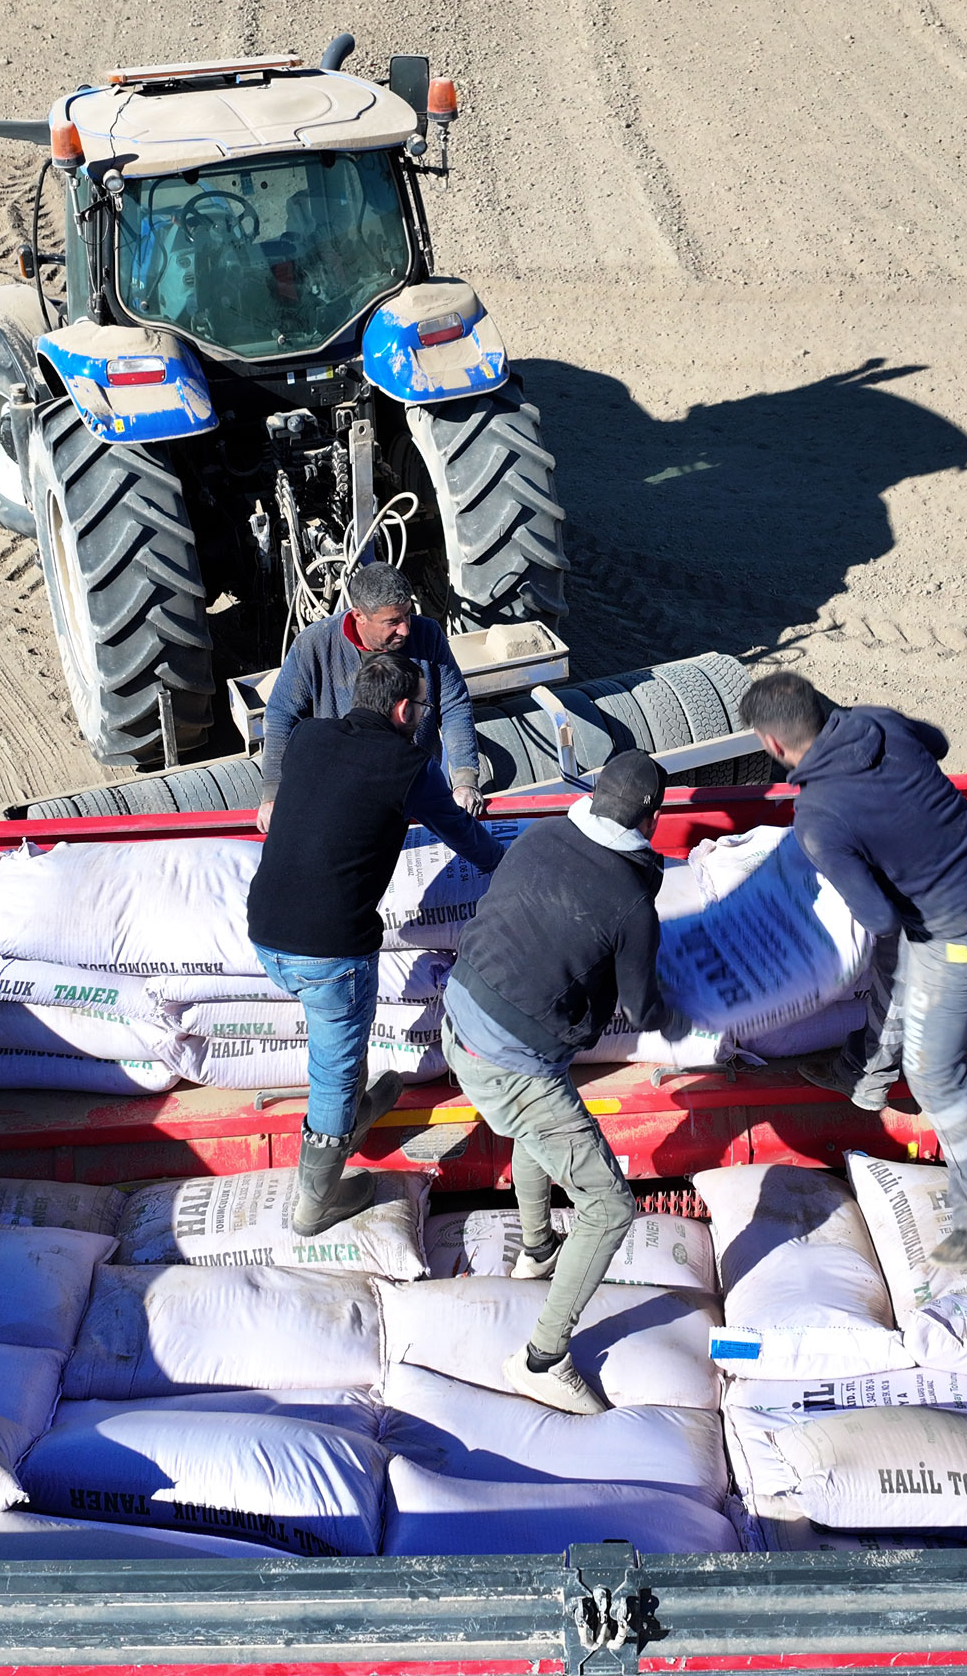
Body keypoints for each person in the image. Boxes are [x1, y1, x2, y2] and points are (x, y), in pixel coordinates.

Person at [740, 671, 967, 1270]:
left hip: (964, 934)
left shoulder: (820, 818)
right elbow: (937, 741)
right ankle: (864, 1073)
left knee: (935, 1074)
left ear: (772, 745)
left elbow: (876, 916)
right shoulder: (877, 724)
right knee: (895, 966)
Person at [440, 751, 672, 1414]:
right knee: (609, 1207)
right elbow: (641, 1008)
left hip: (459, 1013)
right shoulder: (632, 900)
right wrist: (680, 1007)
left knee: (542, 1115)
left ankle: (537, 1249)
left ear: (594, 793)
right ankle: (542, 1359)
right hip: (508, 1059)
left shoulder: (543, 833)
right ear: (652, 818)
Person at [248, 652, 428, 1236]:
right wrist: (501, 861)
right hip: (328, 955)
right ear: (404, 709)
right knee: (333, 1067)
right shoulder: (407, 763)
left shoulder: (308, 736)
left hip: (266, 935)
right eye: (421, 707)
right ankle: (315, 1203)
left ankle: (356, 1110)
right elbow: (454, 826)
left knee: (344, 1045)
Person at [257, 563, 501, 876]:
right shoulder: (314, 646)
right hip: (348, 788)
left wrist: (464, 780)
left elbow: (453, 703)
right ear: (359, 616)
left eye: (407, 615)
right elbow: (280, 716)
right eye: (392, 621)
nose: (406, 629)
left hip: (412, 776)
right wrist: (273, 794)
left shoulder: (427, 635)